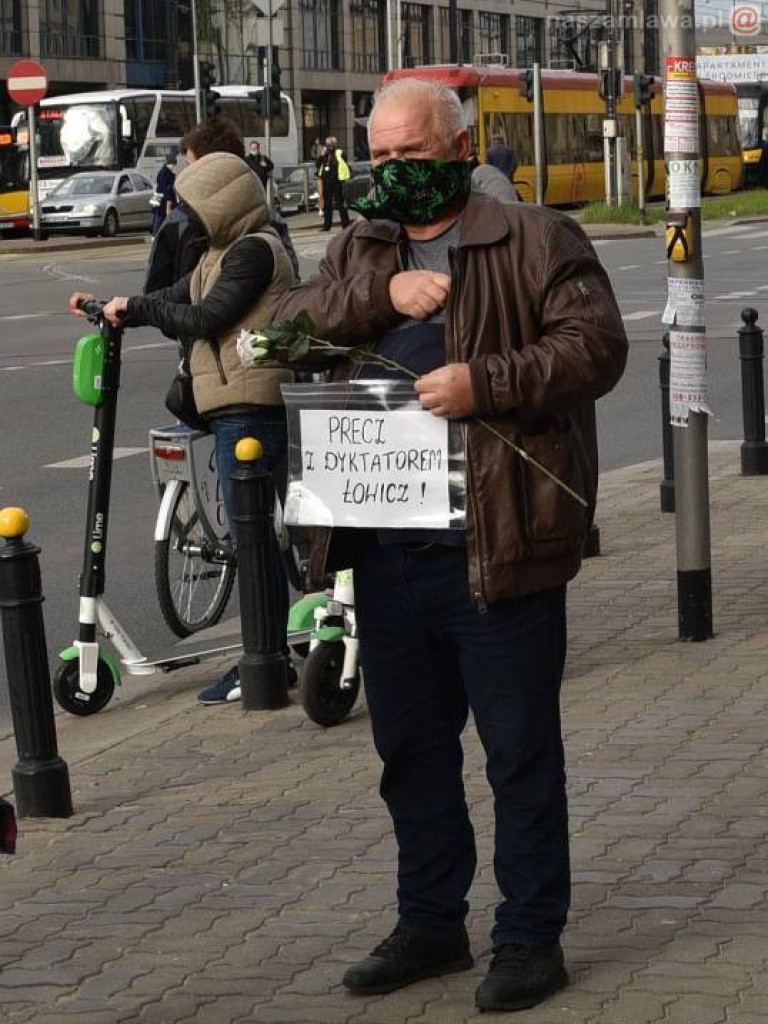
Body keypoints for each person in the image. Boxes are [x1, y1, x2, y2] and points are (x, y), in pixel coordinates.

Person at [272, 77, 627, 1011]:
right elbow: (276, 334)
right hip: (385, 545)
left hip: (496, 537)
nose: (390, 173)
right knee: (412, 752)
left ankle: (528, 937)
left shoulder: (535, 236)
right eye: (378, 156)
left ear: (459, 148)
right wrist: (377, 297)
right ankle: (431, 922)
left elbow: (597, 348)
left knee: (518, 751)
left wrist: (488, 383)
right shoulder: (359, 246)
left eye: (410, 156)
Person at [70, 152, 296, 706]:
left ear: (221, 203)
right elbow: (176, 298)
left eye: (194, 204)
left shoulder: (253, 252)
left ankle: (265, 662)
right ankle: (270, 655)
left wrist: (142, 308)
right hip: (227, 403)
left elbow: (204, 318)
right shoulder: (218, 254)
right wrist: (121, 307)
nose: (185, 215)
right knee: (254, 537)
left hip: (249, 404)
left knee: (254, 540)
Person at [145, 116, 299, 296]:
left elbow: (155, 293)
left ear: (214, 169)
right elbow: (291, 282)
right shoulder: (270, 218)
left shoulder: (179, 222)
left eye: (191, 166)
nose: (186, 174)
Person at [318, 135, 351, 231]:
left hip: (337, 181)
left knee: (340, 203)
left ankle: (346, 225)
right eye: (328, 145)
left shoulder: (339, 153)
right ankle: (327, 225)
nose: (330, 147)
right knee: (327, 205)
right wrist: (321, 155)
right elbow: (318, 164)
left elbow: (345, 164)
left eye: (332, 144)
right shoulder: (325, 154)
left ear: (335, 145)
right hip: (326, 181)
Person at [152, 156, 176, 235]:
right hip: (163, 197)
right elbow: (166, 188)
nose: (173, 166)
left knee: (157, 216)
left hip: (157, 196)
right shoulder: (166, 173)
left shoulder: (161, 172)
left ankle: (155, 233)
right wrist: (169, 199)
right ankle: (156, 233)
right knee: (160, 216)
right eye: (173, 164)